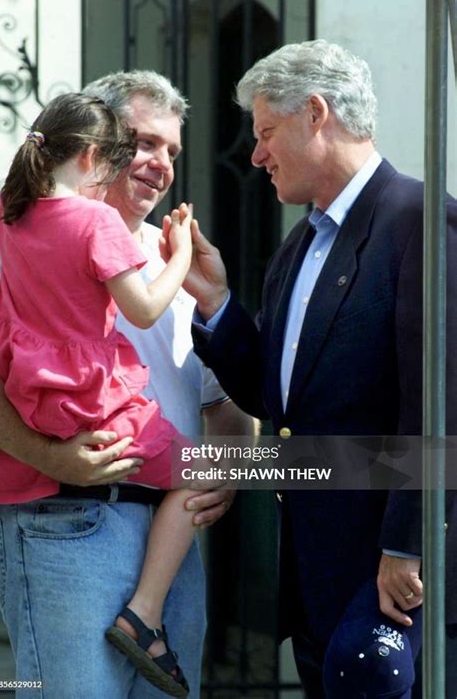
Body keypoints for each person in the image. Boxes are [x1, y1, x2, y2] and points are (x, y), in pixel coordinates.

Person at [187, 40, 457, 698]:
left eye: (267, 132)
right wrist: (218, 306)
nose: (255, 155)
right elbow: (279, 403)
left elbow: (438, 399)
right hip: (316, 584)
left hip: (391, 587)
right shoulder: (298, 246)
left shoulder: (421, 220)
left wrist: (406, 546)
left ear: (316, 112)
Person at [0, 70, 252, 699]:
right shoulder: (7, 241)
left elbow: (228, 405)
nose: (159, 163)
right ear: (95, 147)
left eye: (172, 152)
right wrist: (48, 456)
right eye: (143, 141)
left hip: (173, 534)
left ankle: (146, 613)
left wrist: (231, 473)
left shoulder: (177, 265)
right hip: (68, 522)